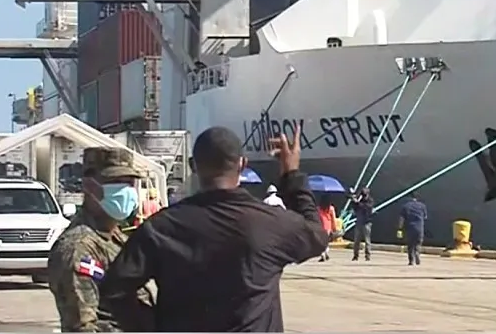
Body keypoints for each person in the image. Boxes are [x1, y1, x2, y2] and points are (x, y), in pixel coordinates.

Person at [98, 124, 329, 332]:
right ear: (242, 164)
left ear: (193, 166)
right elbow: (317, 236)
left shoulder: (161, 227)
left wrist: (155, 326)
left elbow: (113, 291)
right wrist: (291, 174)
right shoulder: (270, 223)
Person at [47, 148, 153, 332]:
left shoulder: (115, 236)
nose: (125, 190)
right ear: (89, 186)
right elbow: (82, 326)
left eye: (129, 183)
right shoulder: (79, 248)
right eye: (115, 182)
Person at [399, 193, 428, 266]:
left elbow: (401, 219)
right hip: (419, 227)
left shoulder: (405, 206)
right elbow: (425, 217)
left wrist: (400, 228)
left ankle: (411, 261)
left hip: (409, 228)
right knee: (418, 243)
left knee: (410, 245)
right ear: (417, 198)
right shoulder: (422, 206)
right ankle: (417, 252)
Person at [350, 187, 374, 261]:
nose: (363, 196)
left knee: (367, 240)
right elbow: (355, 209)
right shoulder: (360, 200)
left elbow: (367, 208)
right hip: (359, 222)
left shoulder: (370, 200)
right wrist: (354, 201)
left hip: (367, 222)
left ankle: (367, 255)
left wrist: (358, 203)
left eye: (365, 195)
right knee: (356, 240)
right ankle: (355, 256)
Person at [317, 198, 338, 262]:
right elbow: (333, 219)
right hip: (328, 226)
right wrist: (334, 228)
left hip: (320, 226)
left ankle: (324, 254)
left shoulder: (318, 208)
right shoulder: (331, 208)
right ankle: (324, 253)